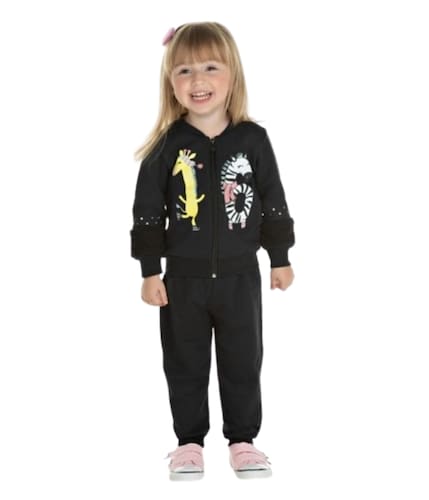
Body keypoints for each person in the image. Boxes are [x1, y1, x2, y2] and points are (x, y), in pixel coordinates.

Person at [130, 22, 295, 481]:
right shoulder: (166, 146)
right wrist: (150, 271)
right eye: (184, 70)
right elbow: (147, 212)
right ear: (170, 81)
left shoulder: (253, 140)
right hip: (182, 281)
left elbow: (273, 201)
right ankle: (188, 443)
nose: (197, 80)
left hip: (241, 276)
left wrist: (279, 257)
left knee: (243, 359)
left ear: (232, 74)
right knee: (184, 362)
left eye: (209, 67)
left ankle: (243, 441)